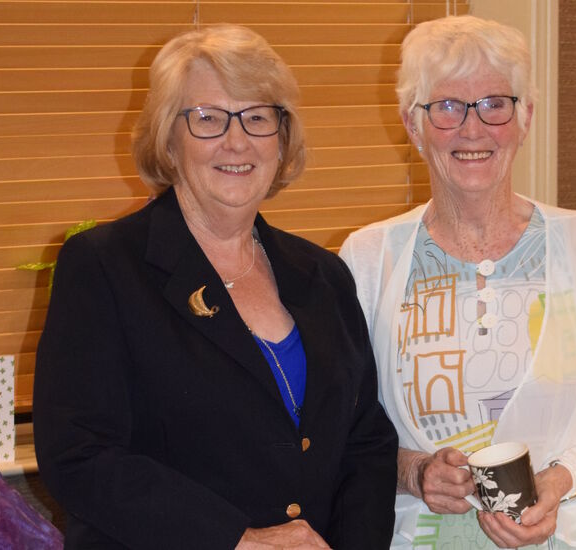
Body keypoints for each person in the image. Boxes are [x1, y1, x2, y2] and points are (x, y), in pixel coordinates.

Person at [33, 24, 398, 550]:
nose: (237, 141)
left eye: (257, 117)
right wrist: (237, 540)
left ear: (282, 139)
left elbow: (366, 444)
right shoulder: (104, 266)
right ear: (168, 138)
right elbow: (80, 455)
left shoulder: (324, 275)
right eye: (208, 118)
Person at [340, 15, 576, 549]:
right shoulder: (369, 258)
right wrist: (414, 471)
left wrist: (562, 480)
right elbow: (346, 435)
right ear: (412, 124)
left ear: (525, 117)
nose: (473, 128)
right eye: (447, 106)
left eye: (495, 103)